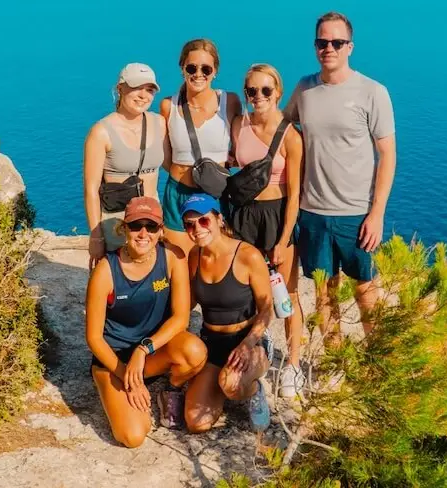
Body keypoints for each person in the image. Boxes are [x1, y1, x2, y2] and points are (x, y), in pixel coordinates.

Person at [284, 11, 397, 344]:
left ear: (350, 47)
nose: (328, 48)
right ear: (315, 46)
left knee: (366, 291)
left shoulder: (372, 92)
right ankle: (336, 361)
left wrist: (376, 215)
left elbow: (387, 154)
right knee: (324, 293)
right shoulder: (304, 88)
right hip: (314, 212)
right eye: (322, 42)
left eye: (337, 42)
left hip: (355, 214)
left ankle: (377, 362)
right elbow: (283, 127)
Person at [85, 196, 207, 447]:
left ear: (161, 231)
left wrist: (144, 349)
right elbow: (94, 338)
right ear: (124, 229)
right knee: (133, 436)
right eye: (135, 226)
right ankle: (110, 388)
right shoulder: (106, 271)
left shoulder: (173, 258)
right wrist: (127, 377)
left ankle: (170, 389)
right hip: (114, 359)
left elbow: (181, 317)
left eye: (151, 227)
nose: (143, 234)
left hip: (152, 353)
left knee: (195, 351)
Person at [229, 63, 305, 398]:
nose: (258, 97)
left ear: (278, 93)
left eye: (265, 90)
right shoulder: (238, 124)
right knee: (248, 293)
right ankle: (254, 354)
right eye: (251, 91)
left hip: (277, 215)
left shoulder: (291, 134)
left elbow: (296, 193)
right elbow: (233, 168)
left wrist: (285, 237)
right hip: (245, 217)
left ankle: (293, 364)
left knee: (287, 294)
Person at [180, 194, 275, 434]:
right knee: (196, 423)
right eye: (190, 224)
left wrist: (248, 343)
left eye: (203, 221)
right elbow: (188, 302)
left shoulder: (248, 256)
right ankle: (222, 386)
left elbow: (266, 309)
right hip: (212, 343)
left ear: (219, 219)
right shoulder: (195, 256)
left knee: (231, 385)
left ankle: (253, 390)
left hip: (249, 341)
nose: (197, 229)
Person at [160, 39, 242, 257]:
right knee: (179, 263)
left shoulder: (230, 101)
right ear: (182, 69)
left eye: (206, 68)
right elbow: (165, 159)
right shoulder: (169, 106)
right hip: (178, 194)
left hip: (215, 195)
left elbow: (240, 145)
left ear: (215, 71)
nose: (198, 74)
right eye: (191, 68)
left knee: (214, 263)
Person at [84, 63, 166, 269]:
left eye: (149, 90)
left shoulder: (159, 123)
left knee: (151, 278)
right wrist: (96, 237)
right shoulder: (101, 132)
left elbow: (176, 163)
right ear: (120, 88)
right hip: (116, 222)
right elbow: (91, 190)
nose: (143, 95)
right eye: (136, 87)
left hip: (151, 216)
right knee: (117, 279)